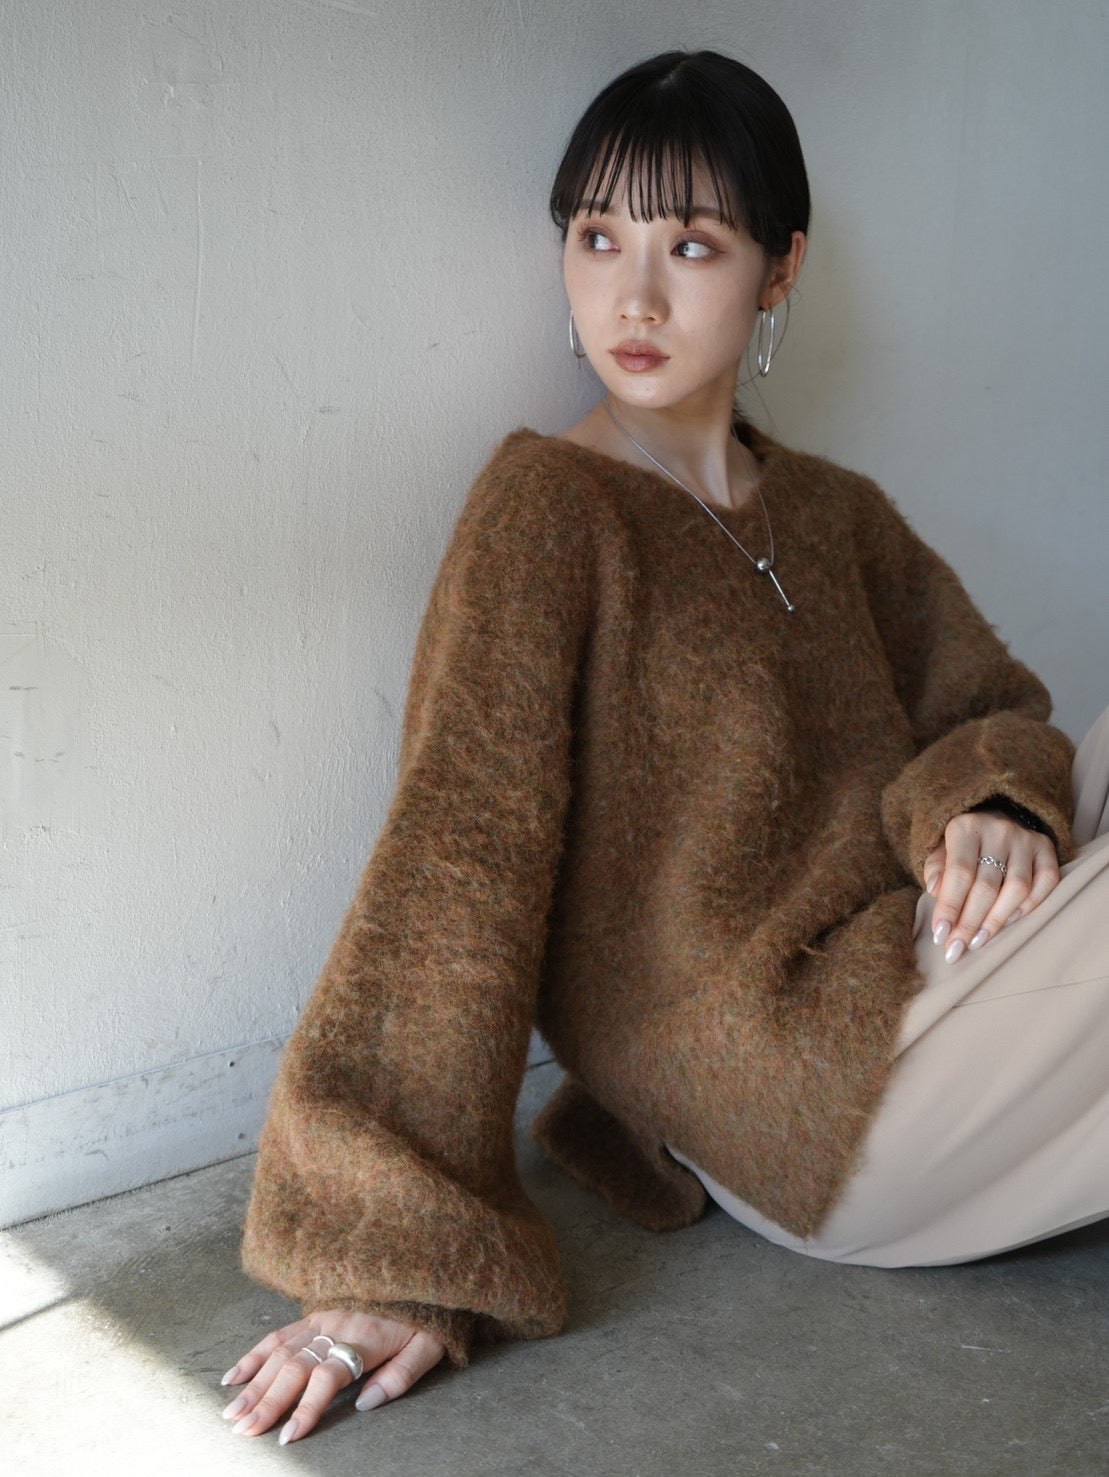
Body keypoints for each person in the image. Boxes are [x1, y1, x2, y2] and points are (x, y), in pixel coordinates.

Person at [217, 49, 1109, 1447]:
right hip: (810, 1090)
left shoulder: (835, 510)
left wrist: (989, 797)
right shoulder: (545, 512)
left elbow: (987, 699)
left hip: (928, 954)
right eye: (597, 238)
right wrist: (395, 1248)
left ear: (778, 269)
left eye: (690, 244)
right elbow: (455, 863)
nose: (631, 296)